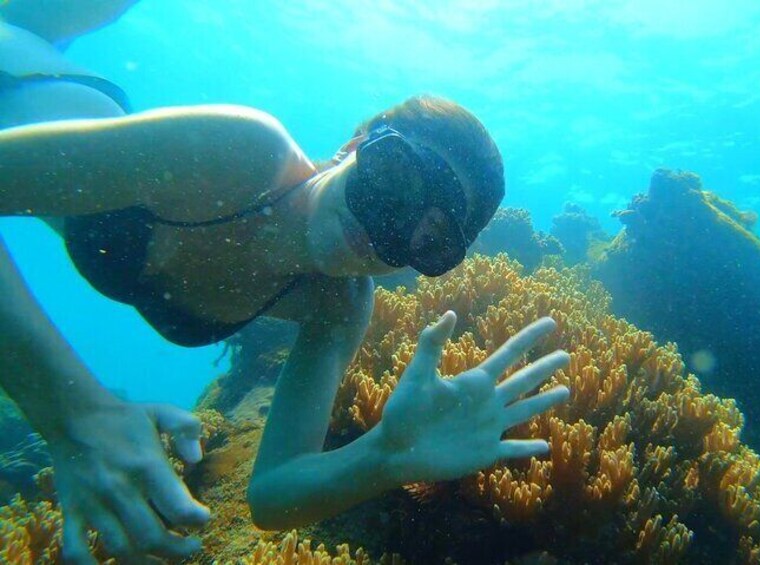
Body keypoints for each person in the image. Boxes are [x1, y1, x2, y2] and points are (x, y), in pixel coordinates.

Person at [0, 3, 572, 563]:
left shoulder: (338, 304)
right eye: (392, 181)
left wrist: (387, 454)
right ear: (356, 143)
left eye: (427, 239)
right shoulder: (245, 154)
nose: (379, 232)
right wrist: (74, 415)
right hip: (24, 79)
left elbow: (274, 495)